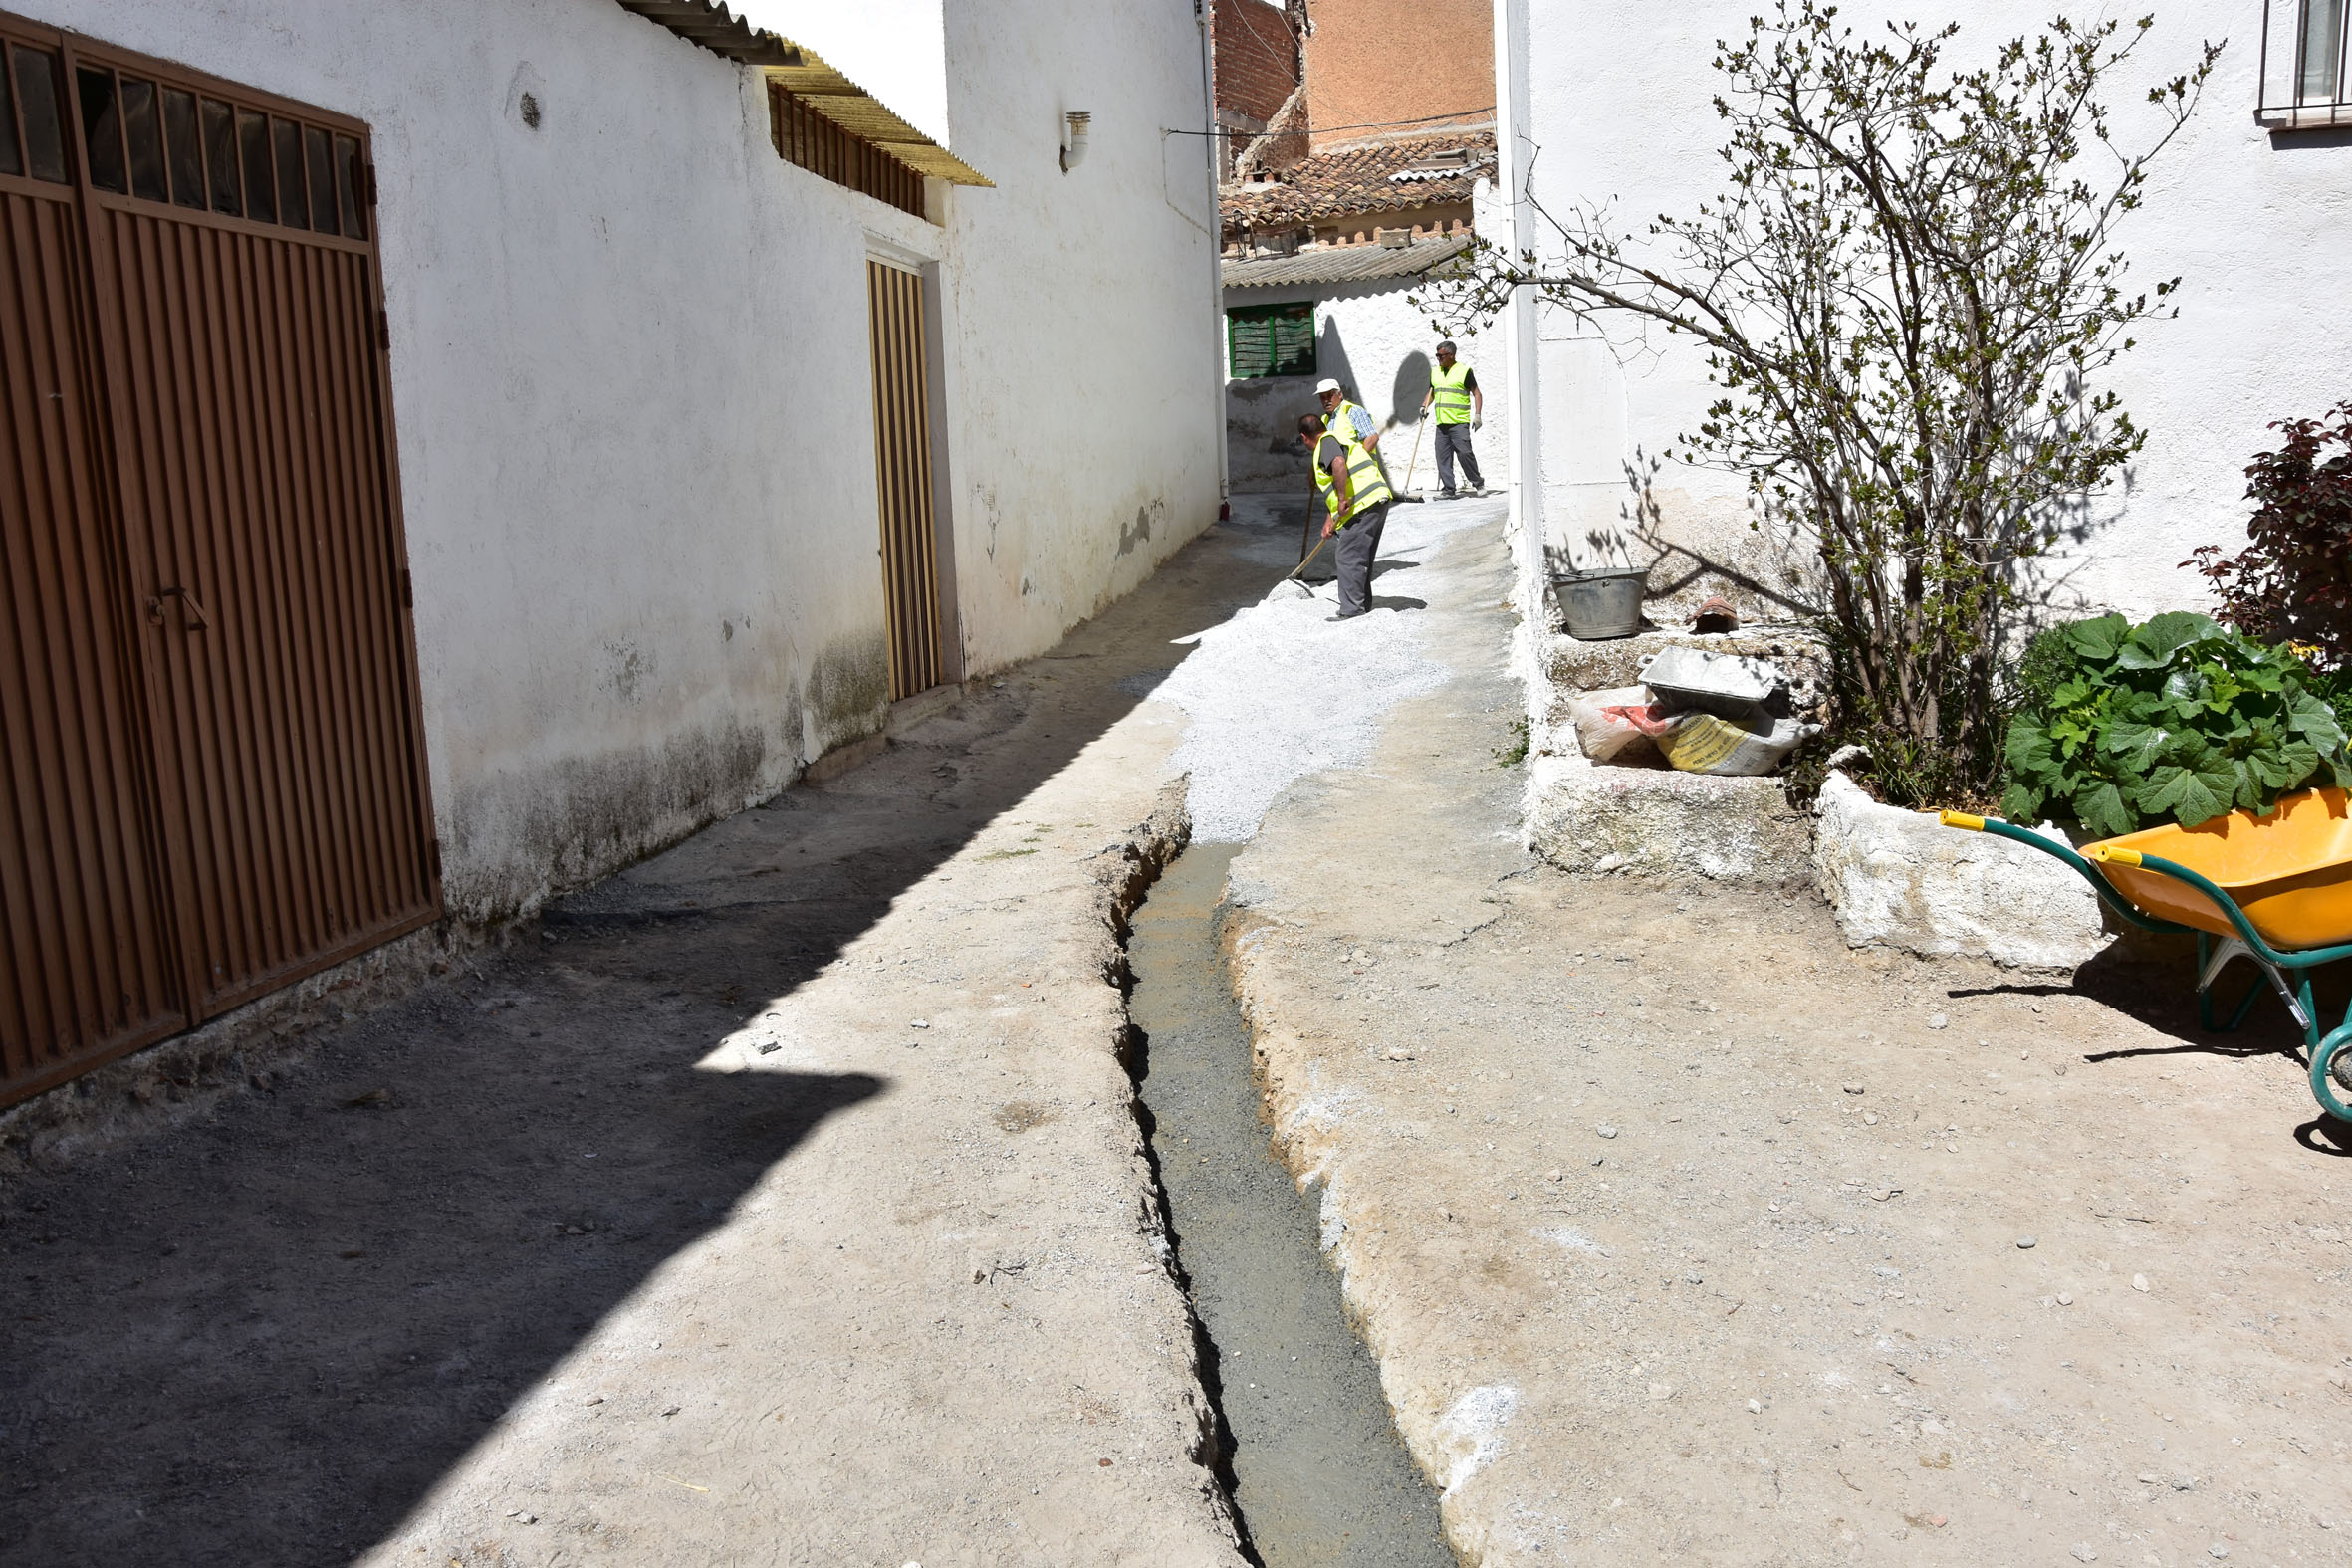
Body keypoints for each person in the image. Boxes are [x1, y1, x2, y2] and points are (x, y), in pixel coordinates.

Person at [1297, 410, 1393, 620]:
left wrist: (1342, 500)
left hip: (1363, 504)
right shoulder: (1339, 438)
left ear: (1305, 437)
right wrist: (1330, 520)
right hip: (1375, 498)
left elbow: (1339, 464)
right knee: (1360, 557)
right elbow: (1343, 481)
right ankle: (1362, 605)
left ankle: (1352, 609)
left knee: (1348, 557)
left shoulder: (1326, 443)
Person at [1419, 339, 1484, 498]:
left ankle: (1477, 482)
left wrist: (1477, 415)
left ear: (1451, 355)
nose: (1438, 359)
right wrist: (1423, 406)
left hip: (1459, 422)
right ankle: (1448, 489)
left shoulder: (1464, 371)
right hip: (1442, 423)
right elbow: (1432, 392)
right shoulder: (1435, 372)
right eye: (1437, 356)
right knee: (1442, 457)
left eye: (1440, 356)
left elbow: (1476, 393)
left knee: (1464, 454)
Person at [1314, 378, 1379, 454]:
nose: (1326, 400)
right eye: (1323, 397)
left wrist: (1358, 461)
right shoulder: (1324, 420)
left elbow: (1372, 438)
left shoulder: (1353, 411)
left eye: (1329, 395)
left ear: (1340, 394)